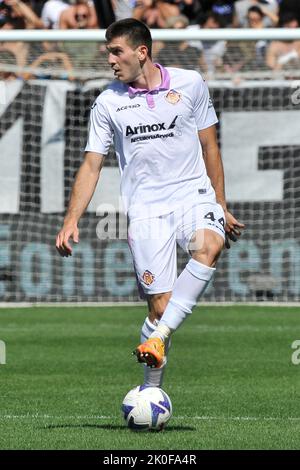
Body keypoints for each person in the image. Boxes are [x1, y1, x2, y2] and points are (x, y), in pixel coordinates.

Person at [56, 18, 244, 388]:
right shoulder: (108, 102)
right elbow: (92, 164)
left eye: (116, 51)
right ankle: (150, 391)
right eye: (108, 52)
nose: (110, 59)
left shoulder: (190, 82)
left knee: (210, 244)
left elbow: (210, 146)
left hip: (194, 195)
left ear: (142, 52)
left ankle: (155, 344)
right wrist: (71, 219)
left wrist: (220, 203)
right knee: (160, 310)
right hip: (146, 212)